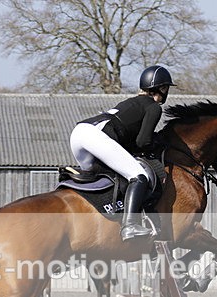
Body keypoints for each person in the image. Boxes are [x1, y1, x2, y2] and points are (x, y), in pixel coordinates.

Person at [69, 65, 176, 241]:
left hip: (79, 134)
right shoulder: (153, 107)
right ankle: (130, 225)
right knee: (139, 176)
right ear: (162, 88)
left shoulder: (131, 102)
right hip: (93, 137)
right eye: (167, 88)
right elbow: (143, 142)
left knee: (107, 178)